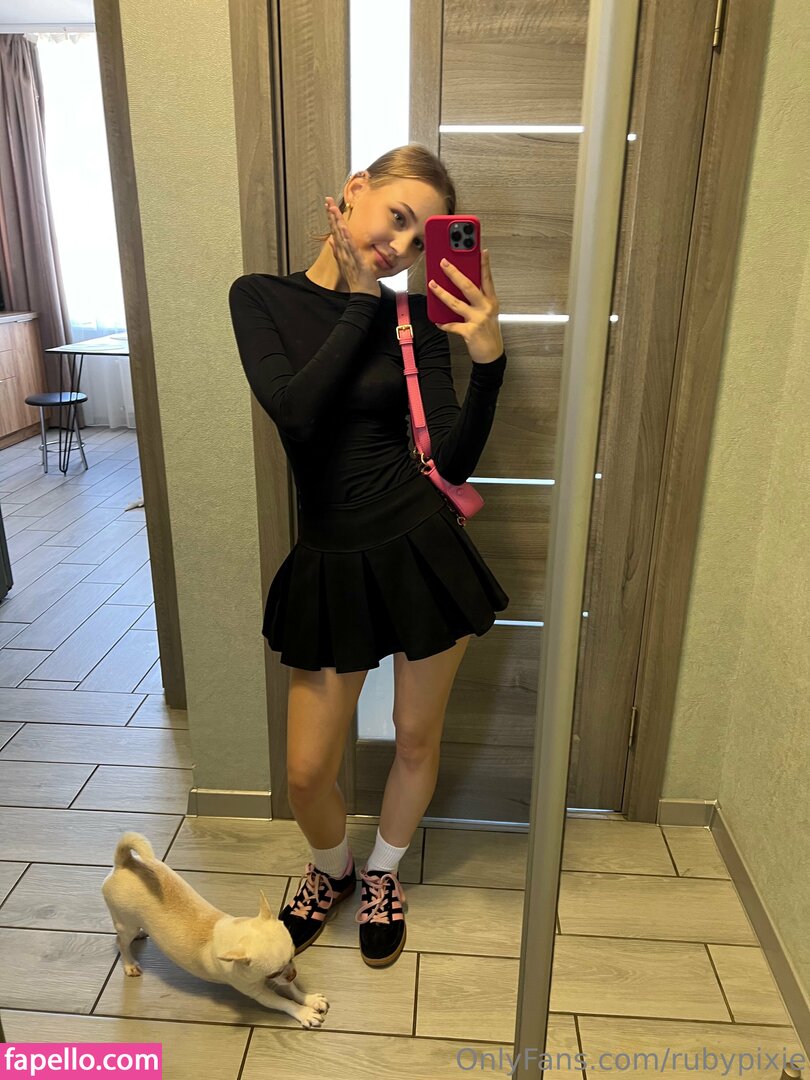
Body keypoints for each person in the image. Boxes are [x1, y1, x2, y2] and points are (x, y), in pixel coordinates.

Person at [228, 144, 509, 969]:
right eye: (396, 217)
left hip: (421, 549)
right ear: (354, 192)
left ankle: (383, 872)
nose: (402, 246)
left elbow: (451, 461)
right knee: (305, 772)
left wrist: (489, 363)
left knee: (414, 736)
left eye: (420, 238)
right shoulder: (260, 297)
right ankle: (333, 870)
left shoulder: (415, 321)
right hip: (330, 558)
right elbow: (296, 412)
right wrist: (358, 299)